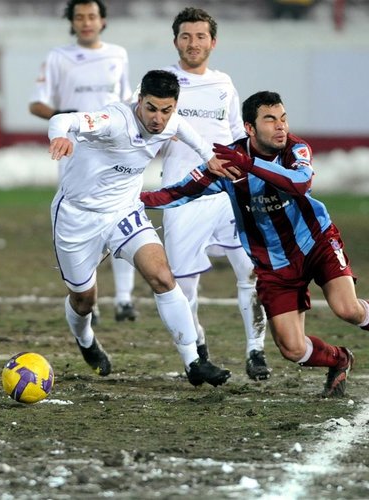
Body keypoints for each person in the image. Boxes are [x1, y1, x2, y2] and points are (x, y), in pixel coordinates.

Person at [140, 90, 369, 397]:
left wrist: (250, 165)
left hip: (315, 241)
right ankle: (340, 359)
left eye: (283, 118)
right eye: (270, 119)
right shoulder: (228, 161)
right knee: (292, 349)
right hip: (273, 262)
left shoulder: (296, 149)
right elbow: (176, 194)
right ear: (250, 128)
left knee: (347, 309)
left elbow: (300, 183)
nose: (280, 126)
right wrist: (131, 200)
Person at [47, 69, 231, 387]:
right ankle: (86, 339)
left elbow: (185, 130)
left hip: (124, 212)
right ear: (139, 99)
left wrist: (209, 158)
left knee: (161, 276)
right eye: (151, 108)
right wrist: (59, 137)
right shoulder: (113, 120)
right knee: (83, 300)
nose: (158, 119)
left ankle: (194, 362)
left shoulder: (169, 121)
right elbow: (65, 121)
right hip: (78, 217)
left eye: (166, 110)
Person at [156, 7, 270, 381]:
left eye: (201, 36)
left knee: (251, 271)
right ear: (175, 41)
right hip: (182, 198)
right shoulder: (162, 84)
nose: (194, 43)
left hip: (229, 196)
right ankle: (196, 350)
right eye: (186, 36)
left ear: (213, 42)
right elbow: (143, 136)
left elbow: (240, 135)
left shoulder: (224, 84)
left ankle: (256, 351)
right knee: (183, 288)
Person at [29, 0, 138, 325]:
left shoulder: (118, 55)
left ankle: (124, 299)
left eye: (92, 16)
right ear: (72, 22)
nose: (86, 22)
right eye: (80, 17)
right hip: (74, 153)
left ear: (102, 20)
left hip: (115, 150)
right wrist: (63, 118)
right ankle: (92, 296)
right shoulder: (57, 58)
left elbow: (128, 99)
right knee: (86, 226)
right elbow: (36, 104)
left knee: (122, 215)